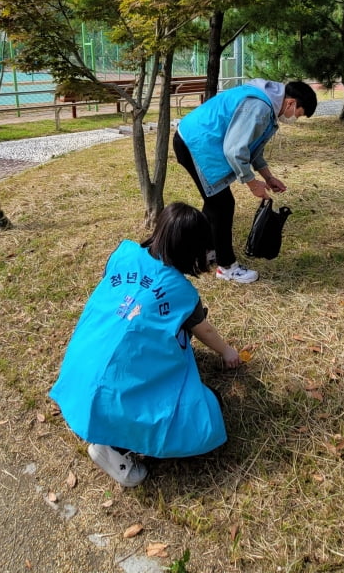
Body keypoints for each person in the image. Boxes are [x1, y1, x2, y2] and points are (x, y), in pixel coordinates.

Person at [49, 203, 240, 487]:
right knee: (209, 407)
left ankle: (106, 427)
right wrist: (227, 352)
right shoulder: (182, 293)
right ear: (194, 250)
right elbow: (205, 330)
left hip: (79, 373)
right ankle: (116, 451)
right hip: (114, 394)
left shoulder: (123, 253)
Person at [173, 79, 317, 284]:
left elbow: (252, 148)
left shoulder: (267, 102)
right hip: (196, 143)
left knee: (215, 202)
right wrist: (252, 183)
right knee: (222, 204)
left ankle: (203, 251)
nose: (294, 118)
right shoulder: (259, 107)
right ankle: (226, 266)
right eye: (298, 114)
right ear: (291, 103)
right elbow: (235, 150)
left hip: (198, 141)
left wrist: (268, 177)